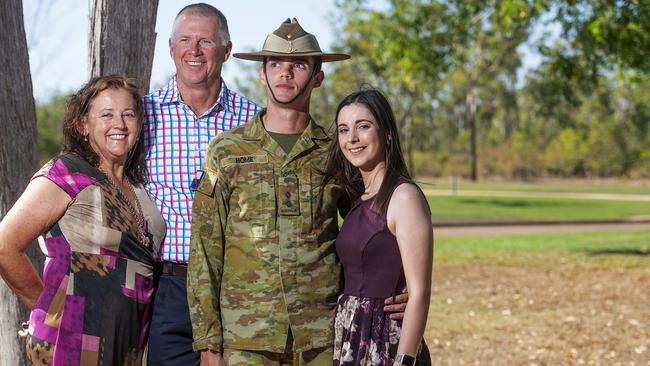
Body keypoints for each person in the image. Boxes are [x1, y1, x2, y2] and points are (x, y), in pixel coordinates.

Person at [188, 18, 408, 366]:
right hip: (247, 337)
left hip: (321, 334)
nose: (285, 74)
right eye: (275, 64)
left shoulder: (336, 152)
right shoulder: (227, 151)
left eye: (298, 65)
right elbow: (205, 247)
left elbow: (375, 226)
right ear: (262, 74)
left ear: (317, 77)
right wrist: (208, 342)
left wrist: (399, 284)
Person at [0, 74, 166, 365]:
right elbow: (4, 245)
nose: (120, 124)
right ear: (83, 126)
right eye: (107, 115)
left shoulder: (140, 186)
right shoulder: (68, 172)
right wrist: (47, 310)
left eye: (129, 114)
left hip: (129, 344)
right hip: (73, 341)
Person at [142, 4, 259, 365]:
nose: (194, 51)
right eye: (186, 41)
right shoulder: (141, 116)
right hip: (169, 286)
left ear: (225, 50)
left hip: (238, 286)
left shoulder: (255, 121)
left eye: (205, 41)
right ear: (171, 48)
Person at [324, 88, 433, 365]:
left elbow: (419, 292)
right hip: (351, 336)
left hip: (384, 340)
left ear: (387, 133)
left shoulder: (403, 196)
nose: (353, 138)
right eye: (344, 130)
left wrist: (404, 360)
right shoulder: (356, 199)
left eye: (363, 126)